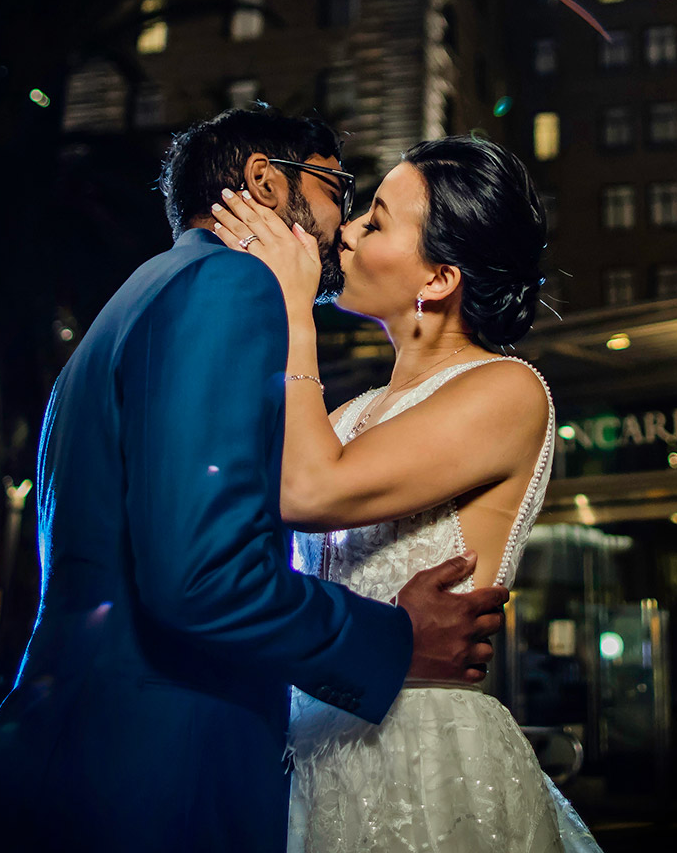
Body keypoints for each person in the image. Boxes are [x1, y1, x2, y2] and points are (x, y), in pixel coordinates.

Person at [0, 108, 507, 852]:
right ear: (266, 182)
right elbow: (202, 575)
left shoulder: (143, 294)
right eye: (338, 187)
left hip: (84, 757)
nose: (343, 224)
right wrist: (395, 640)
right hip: (156, 783)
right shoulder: (230, 288)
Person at [210, 135, 601, 853]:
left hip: (425, 760)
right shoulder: (345, 418)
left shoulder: (507, 389)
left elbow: (306, 488)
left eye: (378, 220)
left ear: (440, 277)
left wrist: (298, 309)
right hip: (314, 754)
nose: (348, 233)